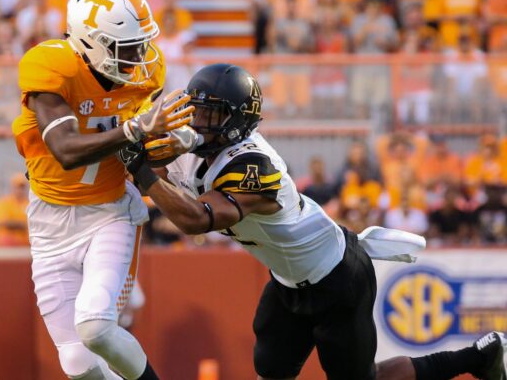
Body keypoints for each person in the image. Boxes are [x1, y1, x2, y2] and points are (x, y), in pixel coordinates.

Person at [118, 64, 507, 380]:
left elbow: (195, 218)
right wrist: (138, 145)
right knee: (270, 370)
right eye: (197, 109)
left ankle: (479, 356)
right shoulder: (197, 145)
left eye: (212, 114)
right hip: (287, 278)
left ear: (237, 121)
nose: (199, 121)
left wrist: (141, 167)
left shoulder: (254, 166)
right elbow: (166, 180)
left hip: (337, 277)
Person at [12, 0, 194, 380]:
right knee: (76, 363)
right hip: (49, 222)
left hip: (109, 211)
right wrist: (137, 129)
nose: (139, 56)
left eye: (141, 44)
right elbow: (66, 149)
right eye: (126, 47)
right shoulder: (52, 66)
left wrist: (172, 145)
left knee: (96, 327)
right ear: (90, 41)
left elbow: (142, 152)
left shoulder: (145, 74)